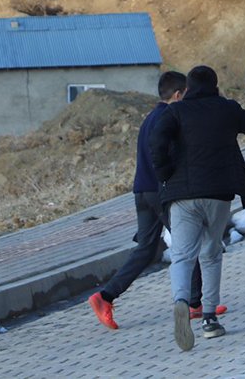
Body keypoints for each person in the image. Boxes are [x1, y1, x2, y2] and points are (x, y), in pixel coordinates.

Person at [88, 72, 226, 330]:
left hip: (142, 190)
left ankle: (104, 296)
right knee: (188, 243)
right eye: (187, 95)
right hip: (160, 191)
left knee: (146, 250)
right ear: (178, 95)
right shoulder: (168, 117)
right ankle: (196, 304)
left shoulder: (151, 116)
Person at [150, 66, 245, 351]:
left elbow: (157, 141)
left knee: (183, 255)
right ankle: (210, 319)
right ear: (214, 85)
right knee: (210, 253)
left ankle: (181, 302)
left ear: (187, 88)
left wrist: (164, 173)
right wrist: (225, 109)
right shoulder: (225, 109)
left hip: (181, 194)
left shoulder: (175, 112)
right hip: (218, 193)